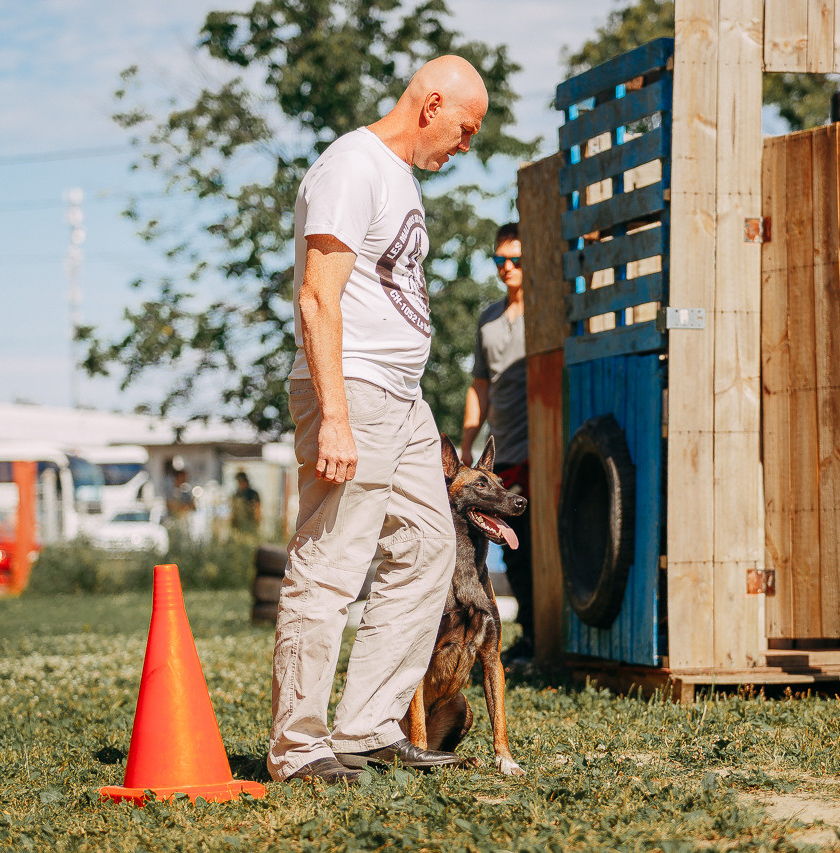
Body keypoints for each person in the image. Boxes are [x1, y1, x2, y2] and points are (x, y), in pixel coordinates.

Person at [266, 55, 489, 786]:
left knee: (428, 547)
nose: (467, 145)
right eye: (466, 128)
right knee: (330, 563)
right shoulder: (350, 166)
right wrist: (334, 416)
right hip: (352, 387)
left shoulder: (400, 177)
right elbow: (316, 297)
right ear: (432, 104)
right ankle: (299, 747)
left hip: (402, 395)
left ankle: (367, 727)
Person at [460, 222, 534, 664]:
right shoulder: (488, 318)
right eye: (500, 259)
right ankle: (527, 636)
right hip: (500, 452)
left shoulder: (544, 312)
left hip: (539, 448)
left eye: (516, 259)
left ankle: (540, 635)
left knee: (533, 544)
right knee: (508, 546)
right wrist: (468, 444)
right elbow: (480, 385)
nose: (507, 267)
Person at [230, 471, 262, 536]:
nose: (241, 484)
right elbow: (233, 511)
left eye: (242, 481)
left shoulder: (253, 494)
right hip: (238, 526)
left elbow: (257, 510)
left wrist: (257, 523)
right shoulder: (236, 495)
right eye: (239, 482)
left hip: (250, 525)